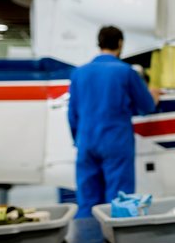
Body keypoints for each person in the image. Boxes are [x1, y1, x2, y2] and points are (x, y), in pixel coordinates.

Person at [67, 25, 160, 218]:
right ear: (120, 44)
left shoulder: (79, 73)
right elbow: (146, 106)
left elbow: (72, 114)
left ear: (98, 44)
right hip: (116, 142)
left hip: (86, 142)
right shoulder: (125, 72)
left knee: (87, 201)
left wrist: (79, 140)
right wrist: (153, 97)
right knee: (119, 200)